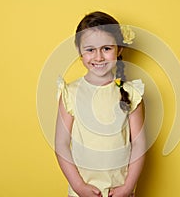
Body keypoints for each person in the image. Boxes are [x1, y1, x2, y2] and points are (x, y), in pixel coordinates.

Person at [55, 11, 146, 197]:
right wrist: (79, 187)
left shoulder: (131, 93)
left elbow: (139, 145)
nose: (98, 57)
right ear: (80, 52)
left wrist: (127, 187)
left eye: (106, 48)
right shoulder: (70, 93)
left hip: (120, 190)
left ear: (119, 49)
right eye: (90, 49)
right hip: (83, 191)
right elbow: (61, 144)